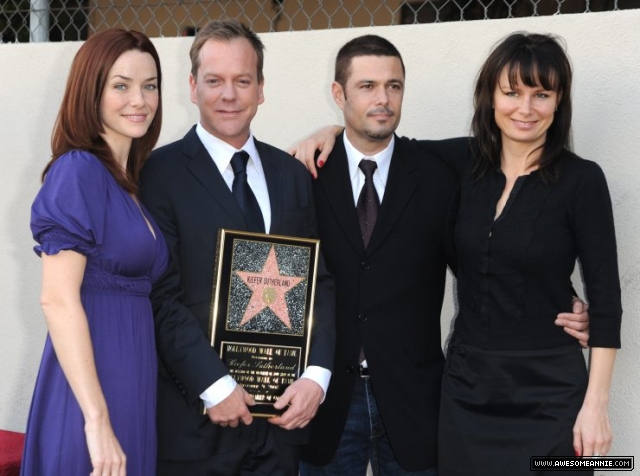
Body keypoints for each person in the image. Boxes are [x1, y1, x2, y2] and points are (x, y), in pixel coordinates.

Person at [289, 35, 593, 476]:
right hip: (328, 397)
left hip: (421, 401)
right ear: (338, 94)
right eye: (367, 86)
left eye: (394, 86)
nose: (383, 99)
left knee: (582, 468)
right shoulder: (303, 175)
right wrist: (332, 130)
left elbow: (490, 261)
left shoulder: (440, 170)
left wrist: (558, 300)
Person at [138, 20, 336, 476]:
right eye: (214, 81)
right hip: (195, 425)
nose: (229, 94)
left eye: (242, 81)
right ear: (192, 87)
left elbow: (317, 284)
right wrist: (214, 384)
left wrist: (316, 377)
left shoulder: (290, 175)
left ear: (261, 88)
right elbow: (160, 296)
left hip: (281, 424)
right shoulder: (158, 175)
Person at [434, 32, 621, 475]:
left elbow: (607, 299)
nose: (526, 108)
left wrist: (594, 408)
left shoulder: (582, 181)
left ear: (559, 103)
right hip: (467, 390)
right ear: (490, 97)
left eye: (542, 94)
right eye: (512, 92)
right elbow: (387, 148)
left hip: (552, 395)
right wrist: (327, 134)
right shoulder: (462, 163)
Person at [21, 29, 168, 475]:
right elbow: (57, 299)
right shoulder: (78, 170)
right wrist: (97, 420)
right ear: (91, 91)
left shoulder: (131, 183)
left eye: (150, 85)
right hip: (90, 398)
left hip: (132, 387)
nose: (138, 100)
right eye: (120, 86)